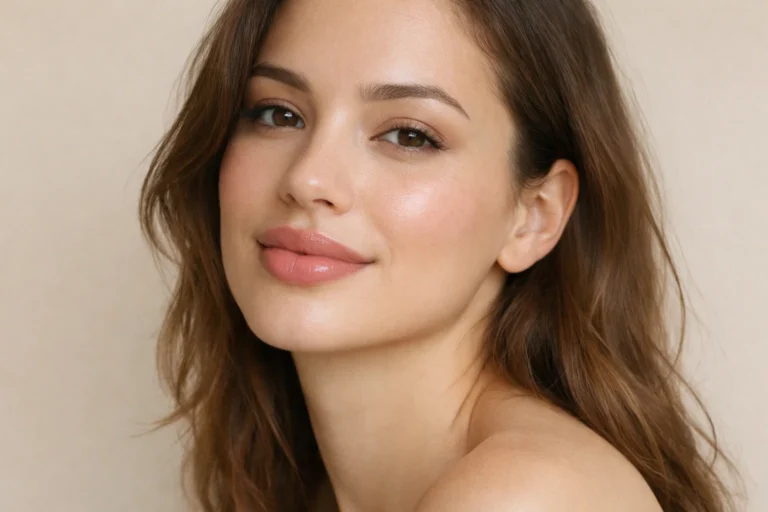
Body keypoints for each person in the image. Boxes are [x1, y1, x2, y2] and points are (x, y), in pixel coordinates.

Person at [139, 0, 737, 510]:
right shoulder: (313, 484)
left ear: (535, 215)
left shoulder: (526, 495)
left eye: (408, 135)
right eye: (278, 113)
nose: (308, 177)